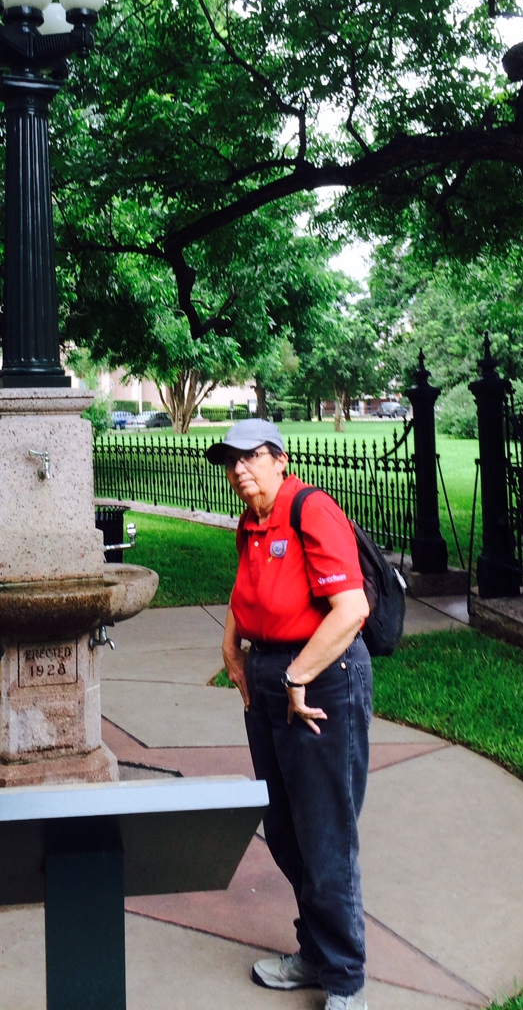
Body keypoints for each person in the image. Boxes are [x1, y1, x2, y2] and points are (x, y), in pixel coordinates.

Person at [207, 418, 372, 1010]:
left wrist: (298, 674)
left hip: (323, 679)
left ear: (280, 459)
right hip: (271, 679)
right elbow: (244, 589)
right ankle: (315, 951)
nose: (238, 470)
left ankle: (345, 979)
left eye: (250, 457)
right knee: (283, 826)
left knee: (326, 832)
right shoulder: (251, 523)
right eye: (231, 461)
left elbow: (350, 608)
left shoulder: (311, 509)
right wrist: (232, 646)